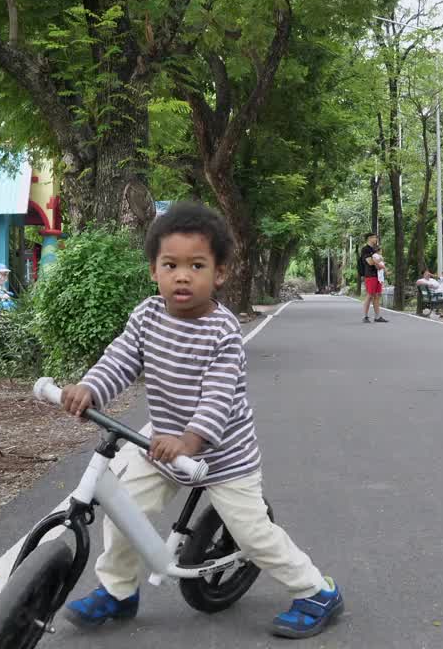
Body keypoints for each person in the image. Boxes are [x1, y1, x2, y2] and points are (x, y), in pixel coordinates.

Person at [59, 202, 344, 639]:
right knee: (121, 509)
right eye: (170, 265)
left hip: (223, 454)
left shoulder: (223, 332)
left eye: (197, 265)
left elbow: (217, 400)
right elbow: (119, 359)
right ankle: (119, 592)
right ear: (154, 270)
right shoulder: (147, 316)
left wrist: (191, 442)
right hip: (160, 444)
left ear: (220, 273)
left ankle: (317, 591)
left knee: (252, 535)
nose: (182, 276)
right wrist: (91, 388)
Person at [358, 233, 387, 323]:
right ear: (369, 238)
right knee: (370, 295)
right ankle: (365, 316)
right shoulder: (365, 249)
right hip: (370, 275)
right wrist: (378, 260)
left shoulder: (375, 249)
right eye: (375, 237)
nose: (376, 239)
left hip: (378, 275)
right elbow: (370, 262)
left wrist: (377, 261)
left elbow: (376, 261)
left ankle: (377, 317)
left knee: (377, 295)